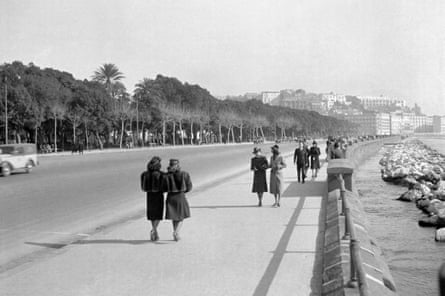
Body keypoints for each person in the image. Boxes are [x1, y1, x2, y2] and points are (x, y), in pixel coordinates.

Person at [164, 159, 193, 241]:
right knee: (181, 217)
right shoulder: (184, 174)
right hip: (180, 196)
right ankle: (176, 232)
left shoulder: (166, 176)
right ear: (178, 165)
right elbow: (189, 187)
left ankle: (175, 232)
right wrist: (184, 192)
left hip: (170, 196)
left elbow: (164, 188)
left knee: (174, 216)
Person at [140, 156, 164, 241]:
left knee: (152, 214)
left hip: (149, 196)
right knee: (158, 214)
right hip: (158, 195)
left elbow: (143, 188)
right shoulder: (161, 174)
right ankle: (154, 230)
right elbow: (164, 187)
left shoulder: (144, 174)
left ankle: (154, 230)